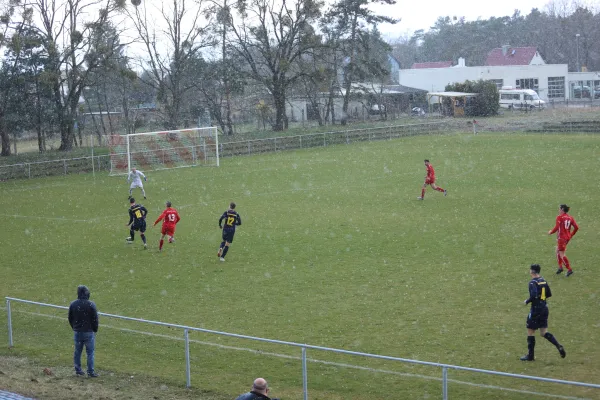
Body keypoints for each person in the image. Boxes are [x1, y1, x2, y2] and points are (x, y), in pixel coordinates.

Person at [520, 264, 566, 361]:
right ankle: (558, 345)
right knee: (543, 332)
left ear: (532, 271)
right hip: (544, 308)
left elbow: (534, 295)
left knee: (530, 331)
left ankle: (530, 356)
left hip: (536, 309)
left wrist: (527, 301)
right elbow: (549, 294)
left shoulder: (532, 283)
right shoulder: (543, 280)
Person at [68, 285, 99, 377]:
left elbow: (70, 318)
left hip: (78, 332)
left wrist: (75, 327)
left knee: (77, 352)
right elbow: (95, 319)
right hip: (88, 332)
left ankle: (78, 370)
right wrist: (95, 329)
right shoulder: (91, 304)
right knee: (90, 352)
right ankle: (90, 371)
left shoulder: (73, 304)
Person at [548, 204, 579, 277]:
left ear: (562, 209)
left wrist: (550, 232)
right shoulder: (570, 217)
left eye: (559, 209)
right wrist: (571, 235)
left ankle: (569, 269)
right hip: (567, 237)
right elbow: (576, 227)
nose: (558, 210)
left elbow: (556, 227)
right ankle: (560, 267)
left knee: (562, 254)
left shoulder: (560, 217)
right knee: (557, 250)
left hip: (561, 238)